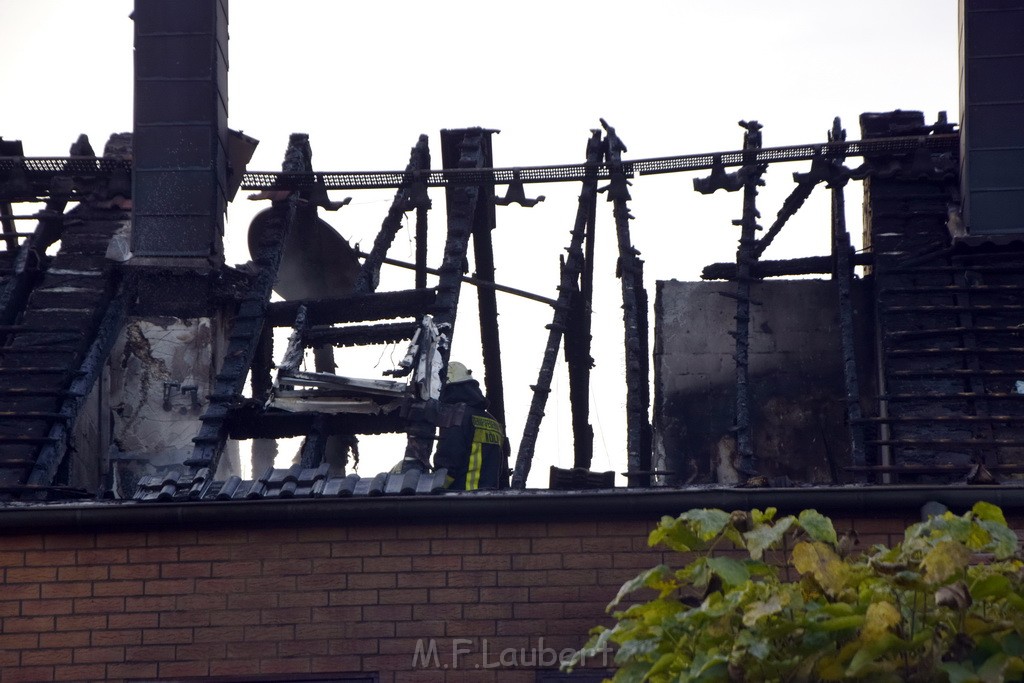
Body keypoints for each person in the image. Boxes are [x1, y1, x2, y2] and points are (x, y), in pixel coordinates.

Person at [433, 362, 505, 490]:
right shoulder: (492, 421)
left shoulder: (456, 415)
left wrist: (434, 487)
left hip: (462, 500)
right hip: (490, 501)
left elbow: (448, 460)